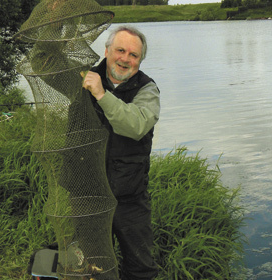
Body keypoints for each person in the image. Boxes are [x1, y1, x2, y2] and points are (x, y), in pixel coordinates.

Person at [82, 25, 160, 280]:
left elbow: (136, 126)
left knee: (140, 268)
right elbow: (45, 64)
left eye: (134, 55)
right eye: (120, 50)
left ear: (140, 60)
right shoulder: (83, 77)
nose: (125, 59)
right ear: (106, 51)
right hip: (88, 194)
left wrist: (101, 95)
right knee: (90, 266)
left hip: (130, 197)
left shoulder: (147, 90)